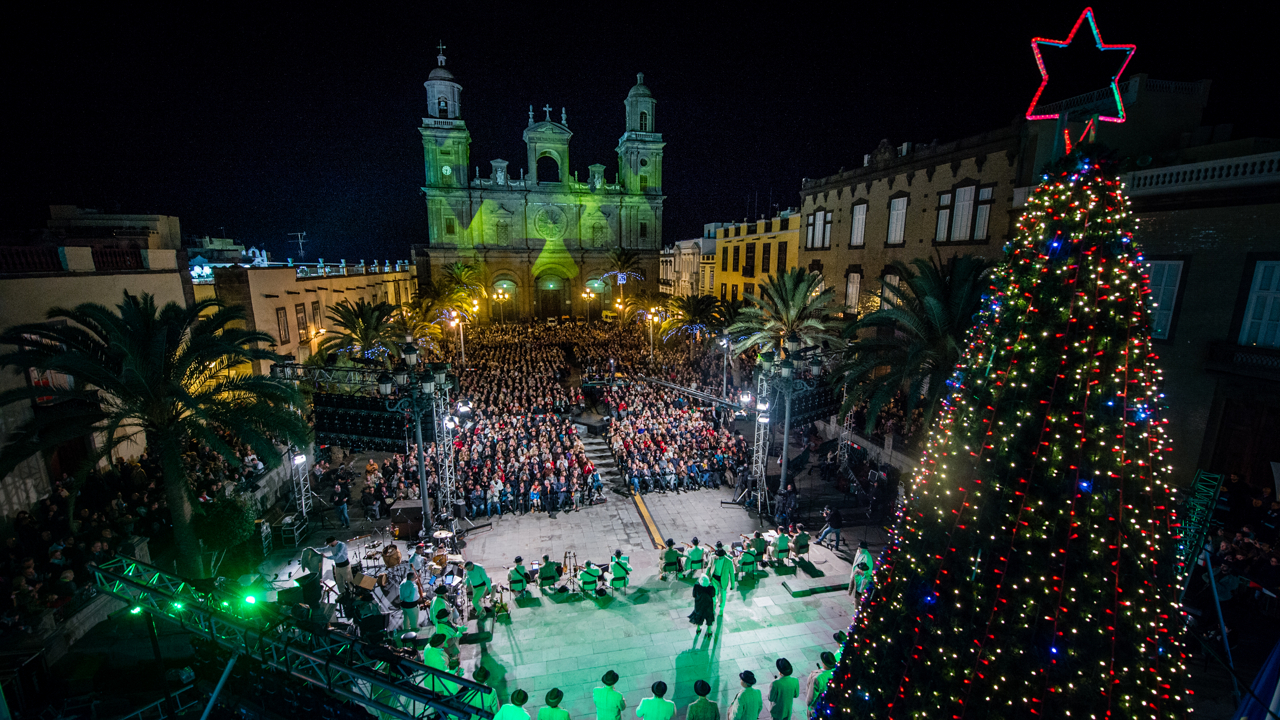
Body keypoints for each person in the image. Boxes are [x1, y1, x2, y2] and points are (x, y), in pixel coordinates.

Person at [848, 540, 874, 614]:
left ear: (865, 549)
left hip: (862, 580)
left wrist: (864, 574)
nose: (858, 550)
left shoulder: (868, 558)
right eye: (858, 548)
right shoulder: (858, 552)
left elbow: (869, 570)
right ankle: (856, 601)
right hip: (856, 574)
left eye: (860, 549)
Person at [710, 546, 736, 615]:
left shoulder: (729, 561)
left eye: (721, 556)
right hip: (714, 579)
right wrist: (706, 578)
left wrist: (733, 584)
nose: (719, 557)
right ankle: (713, 605)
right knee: (713, 594)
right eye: (718, 556)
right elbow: (709, 568)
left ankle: (721, 609)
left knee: (722, 596)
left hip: (723, 581)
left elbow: (732, 574)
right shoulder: (713, 558)